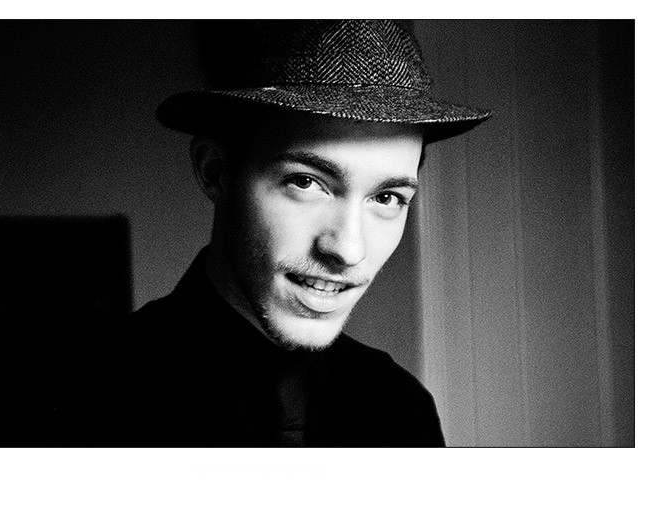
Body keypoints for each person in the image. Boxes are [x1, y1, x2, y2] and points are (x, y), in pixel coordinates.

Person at [71, 20, 490, 448]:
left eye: (386, 198)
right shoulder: (76, 402)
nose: (348, 249)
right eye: (306, 182)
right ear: (215, 172)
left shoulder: (401, 409)